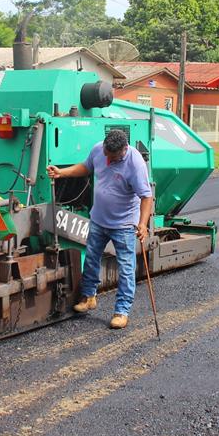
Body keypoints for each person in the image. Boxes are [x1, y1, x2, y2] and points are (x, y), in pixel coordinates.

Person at [47, 129, 153, 330]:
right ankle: (89, 297)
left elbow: (146, 196)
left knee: (126, 269)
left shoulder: (135, 164)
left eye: (112, 157)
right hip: (98, 219)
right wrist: (61, 173)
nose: (107, 159)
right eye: (106, 153)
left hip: (123, 225)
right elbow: (86, 167)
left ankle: (121, 311)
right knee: (92, 258)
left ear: (124, 150)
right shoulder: (99, 150)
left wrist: (142, 224)